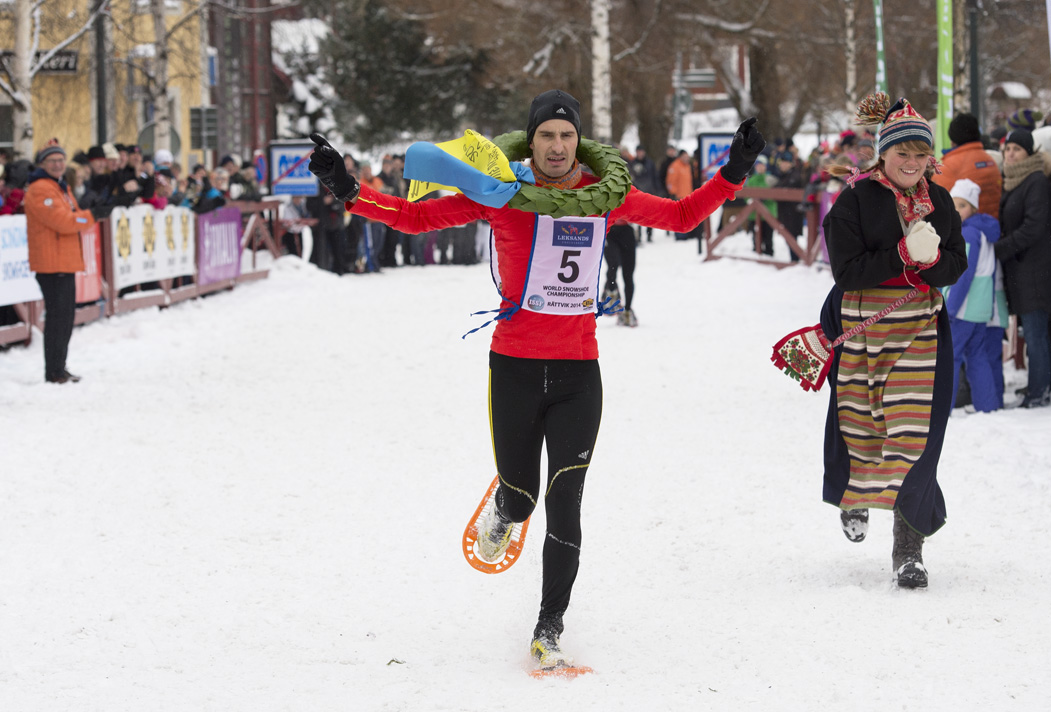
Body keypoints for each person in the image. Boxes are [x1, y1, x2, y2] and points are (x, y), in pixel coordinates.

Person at [308, 89, 763, 668]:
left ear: (580, 142)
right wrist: (344, 186)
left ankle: (550, 623)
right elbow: (418, 217)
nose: (556, 145)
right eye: (545, 135)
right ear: (531, 141)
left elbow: (680, 216)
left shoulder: (603, 196)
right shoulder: (501, 194)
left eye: (566, 135)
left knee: (566, 499)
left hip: (579, 371)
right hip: (515, 368)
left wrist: (735, 169)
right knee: (523, 499)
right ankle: (504, 507)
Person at [820, 94, 967, 589]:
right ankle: (855, 496)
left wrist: (931, 264)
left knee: (917, 439)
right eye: (901, 151)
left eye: (919, 153)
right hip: (864, 330)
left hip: (922, 333)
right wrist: (905, 254)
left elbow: (956, 263)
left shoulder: (941, 202)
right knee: (862, 427)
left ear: (931, 157)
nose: (910, 161)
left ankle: (908, 549)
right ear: (883, 154)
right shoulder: (855, 200)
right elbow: (847, 271)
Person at [24, 140, 110, 383]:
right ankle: (54, 371)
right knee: (58, 318)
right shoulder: (41, 188)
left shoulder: (60, 187)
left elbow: (72, 216)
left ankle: (59, 367)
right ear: (43, 164)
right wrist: (92, 216)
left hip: (63, 261)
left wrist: (88, 213)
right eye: (52, 161)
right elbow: (63, 221)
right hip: (52, 263)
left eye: (61, 160)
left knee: (64, 318)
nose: (58, 164)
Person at [995, 128, 1051, 408]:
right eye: (1007, 149)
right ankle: (1037, 385)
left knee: (1035, 332)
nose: (1010, 154)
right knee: (1031, 331)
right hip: (1021, 269)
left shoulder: (1035, 181)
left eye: (1017, 149)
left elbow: (1035, 226)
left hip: (1035, 269)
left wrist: (1001, 248)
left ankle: (1039, 391)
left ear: (1029, 153)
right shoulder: (1012, 181)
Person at [945, 179, 1006, 413]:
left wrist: (950, 308)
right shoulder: (982, 231)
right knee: (977, 357)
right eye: (953, 205)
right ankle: (987, 406)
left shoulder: (968, 234)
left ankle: (942, 408)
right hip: (980, 309)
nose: (957, 211)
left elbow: (963, 275)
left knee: (951, 357)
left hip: (963, 308)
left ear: (973, 208)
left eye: (963, 206)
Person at [932, 112, 1002, 219]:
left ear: (953, 138)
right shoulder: (990, 160)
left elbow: (938, 203)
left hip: (964, 229)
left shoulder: (950, 165)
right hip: (990, 226)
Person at [602, 221, 638, 326]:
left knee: (628, 274)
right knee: (613, 266)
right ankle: (611, 294)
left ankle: (627, 310)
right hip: (610, 231)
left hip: (627, 232)